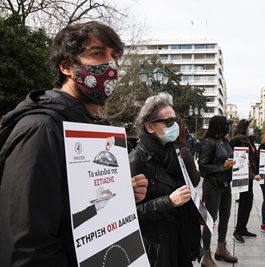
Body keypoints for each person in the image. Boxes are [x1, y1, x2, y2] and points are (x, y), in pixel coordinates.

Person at [0, 21, 148, 266]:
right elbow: (27, 247)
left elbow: (72, 207)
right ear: (67, 66)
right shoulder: (41, 130)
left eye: (114, 57)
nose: (110, 66)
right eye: (98, 54)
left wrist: (121, 196)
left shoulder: (92, 130)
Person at [129, 92, 201, 267]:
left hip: (180, 240)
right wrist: (168, 202)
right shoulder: (136, 159)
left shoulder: (174, 152)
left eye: (175, 120)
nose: (174, 125)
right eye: (168, 122)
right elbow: (130, 216)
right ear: (150, 127)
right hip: (157, 249)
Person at [198, 115, 238, 266]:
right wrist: (223, 167)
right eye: (226, 125)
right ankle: (206, 255)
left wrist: (240, 162)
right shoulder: (208, 143)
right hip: (212, 186)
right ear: (219, 127)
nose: (228, 128)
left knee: (225, 217)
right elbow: (202, 168)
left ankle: (221, 248)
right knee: (210, 220)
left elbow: (231, 158)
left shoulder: (225, 142)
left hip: (225, 185)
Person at [230, 119, 260, 243]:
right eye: (250, 127)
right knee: (245, 201)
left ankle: (243, 228)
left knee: (247, 201)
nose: (252, 129)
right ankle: (237, 230)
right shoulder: (240, 140)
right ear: (245, 127)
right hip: (244, 175)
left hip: (249, 175)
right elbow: (242, 160)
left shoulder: (247, 140)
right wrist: (253, 174)